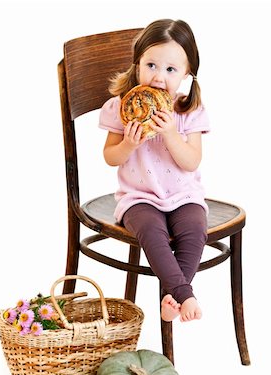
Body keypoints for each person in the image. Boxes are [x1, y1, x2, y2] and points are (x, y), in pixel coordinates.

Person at [99, 19, 210, 323]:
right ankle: (184, 294)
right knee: (151, 232)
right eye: (151, 65)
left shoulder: (188, 109)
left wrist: (172, 135)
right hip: (139, 197)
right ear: (137, 65)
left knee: (194, 229)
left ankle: (171, 295)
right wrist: (129, 144)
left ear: (187, 74)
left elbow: (191, 162)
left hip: (183, 195)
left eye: (171, 70)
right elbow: (110, 156)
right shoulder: (122, 107)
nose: (159, 77)